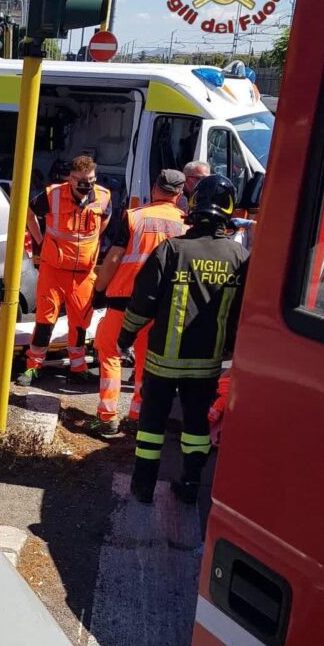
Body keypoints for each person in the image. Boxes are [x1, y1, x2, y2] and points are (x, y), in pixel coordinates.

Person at [117, 175, 249, 505]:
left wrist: (126, 335)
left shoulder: (172, 250)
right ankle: (191, 484)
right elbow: (243, 314)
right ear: (229, 211)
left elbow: (142, 302)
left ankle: (143, 487)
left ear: (193, 206)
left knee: (151, 427)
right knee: (195, 428)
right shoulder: (240, 259)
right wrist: (232, 347)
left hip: (163, 361)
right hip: (206, 365)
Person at [88, 170, 187, 436]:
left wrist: (99, 289)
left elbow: (114, 258)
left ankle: (107, 417)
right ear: (178, 195)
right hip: (160, 304)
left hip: (124, 299)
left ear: (155, 188)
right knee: (146, 360)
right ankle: (138, 415)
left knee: (109, 352)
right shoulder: (186, 224)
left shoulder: (134, 216)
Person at [17, 155, 112, 386]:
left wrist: (93, 244)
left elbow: (105, 219)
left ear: (95, 177)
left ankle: (78, 367)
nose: (84, 184)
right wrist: (40, 240)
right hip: (54, 270)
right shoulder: (53, 195)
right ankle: (33, 367)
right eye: (79, 179)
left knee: (80, 323)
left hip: (83, 274)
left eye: (89, 179)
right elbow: (29, 215)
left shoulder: (104, 196)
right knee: (45, 320)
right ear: (70, 178)